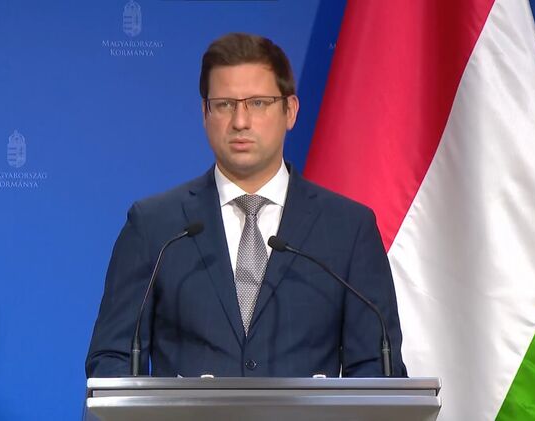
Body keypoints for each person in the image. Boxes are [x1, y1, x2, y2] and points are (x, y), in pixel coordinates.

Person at [85, 33, 407, 378]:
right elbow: (112, 360)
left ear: (290, 111)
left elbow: (376, 369)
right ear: (205, 113)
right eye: (225, 104)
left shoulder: (348, 229)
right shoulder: (155, 227)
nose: (240, 121)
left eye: (258, 103)